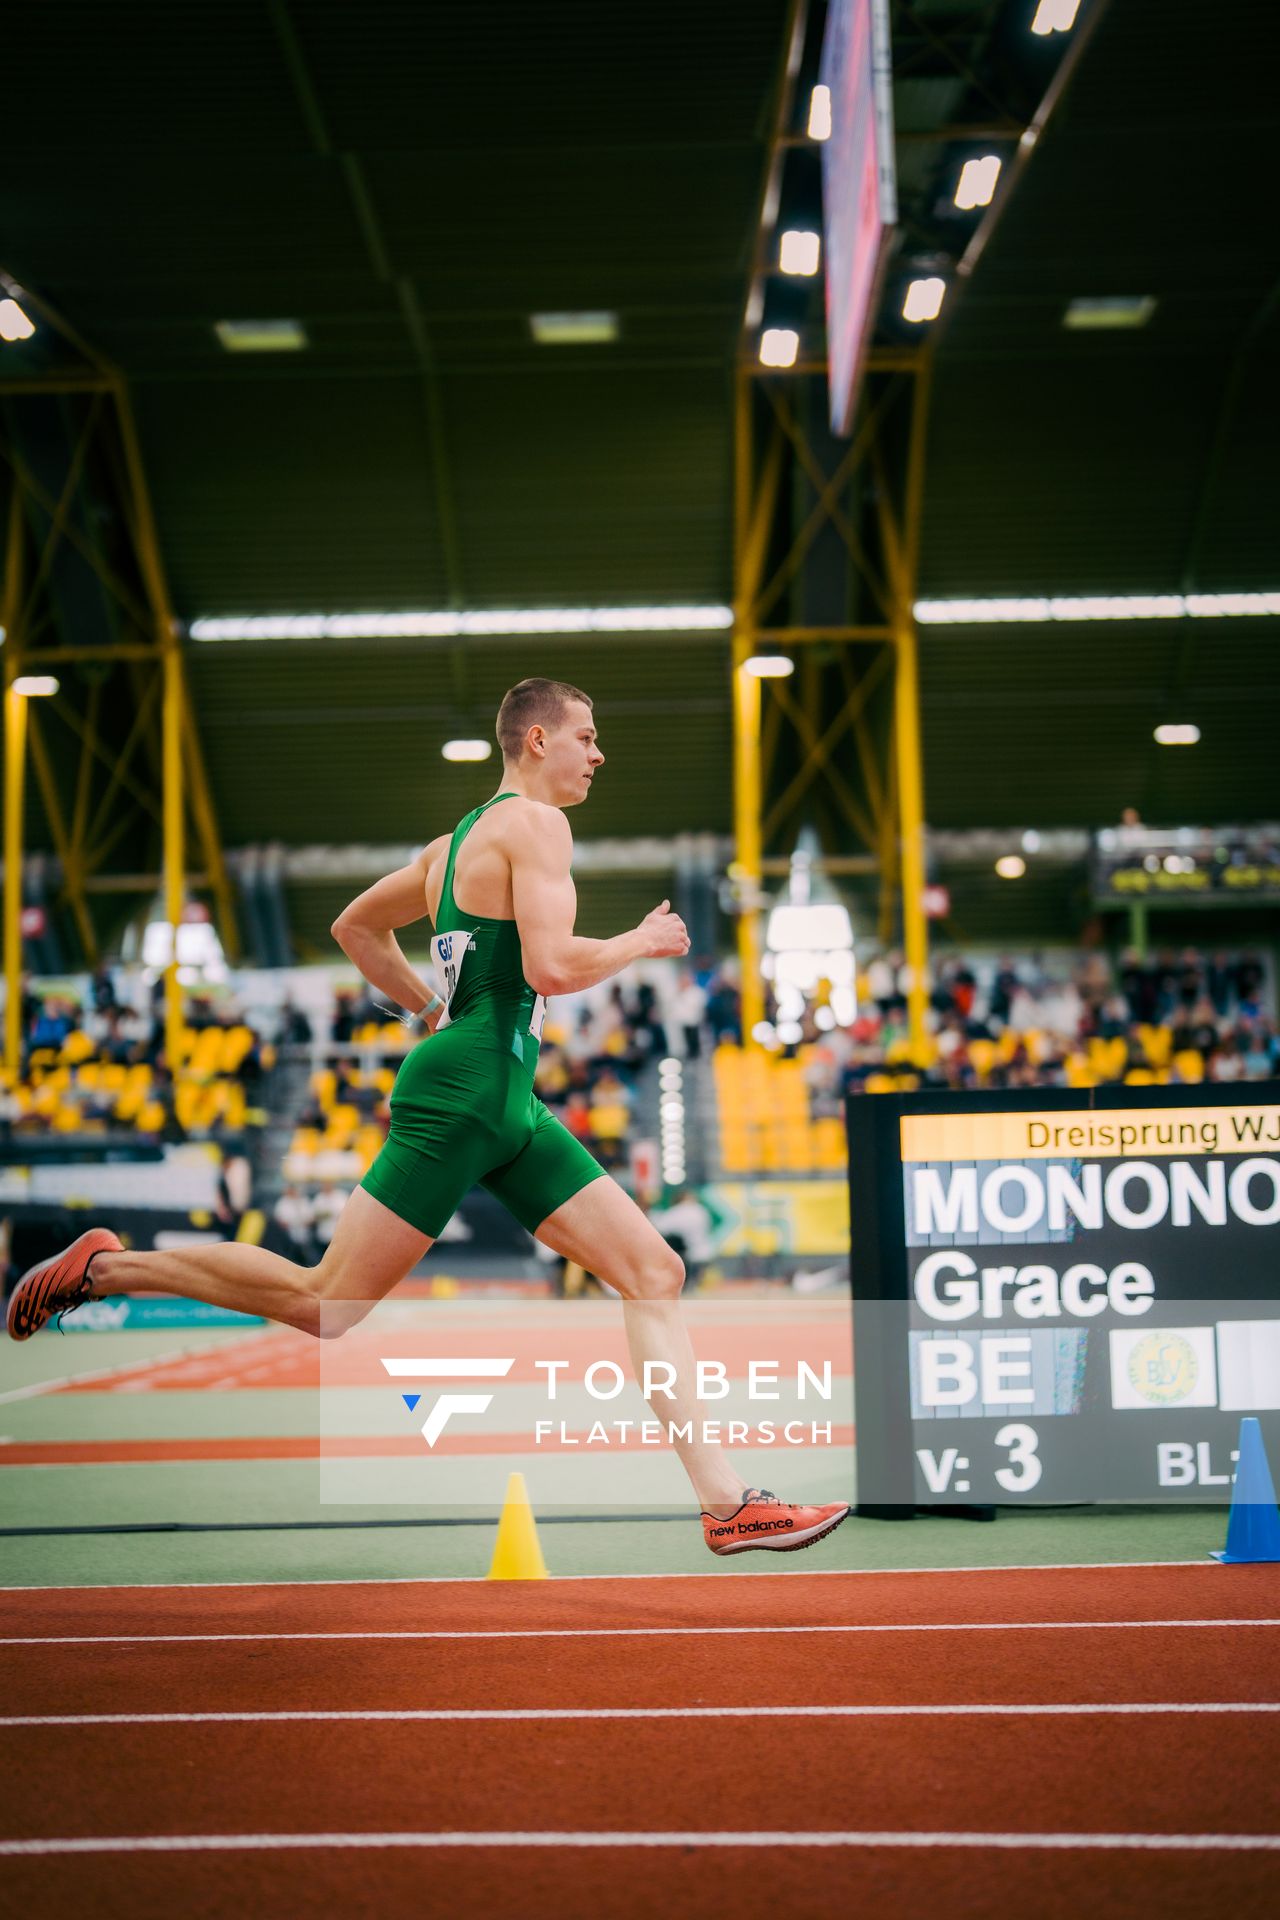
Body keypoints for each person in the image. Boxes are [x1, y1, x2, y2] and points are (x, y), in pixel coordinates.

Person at [7, 676, 846, 1558]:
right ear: (535, 741)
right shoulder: (536, 825)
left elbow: (354, 929)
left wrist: (427, 1007)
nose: (598, 755)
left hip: (500, 1091)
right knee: (327, 1302)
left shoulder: (449, 850)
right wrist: (643, 940)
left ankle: (725, 1503)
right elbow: (552, 967)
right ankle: (109, 1269)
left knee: (653, 1270)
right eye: (587, 737)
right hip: (471, 1091)